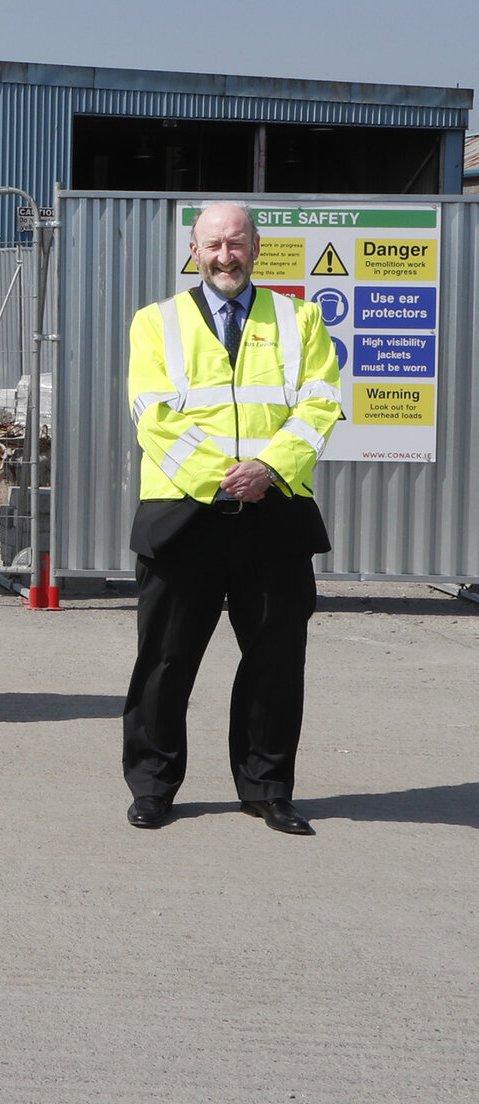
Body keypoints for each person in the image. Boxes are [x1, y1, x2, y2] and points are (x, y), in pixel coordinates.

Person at [122, 201, 342, 835]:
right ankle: (154, 786)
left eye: (236, 243)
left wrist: (267, 470)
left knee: (276, 659)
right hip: (183, 516)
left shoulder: (301, 319)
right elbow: (153, 416)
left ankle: (267, 788)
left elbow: (320, 404)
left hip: (274, 514)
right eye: (213, 244)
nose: (225, 255)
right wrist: (223, 477)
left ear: (255, 246)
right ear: (194, 250)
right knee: (164, 661)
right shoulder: (154, 323)